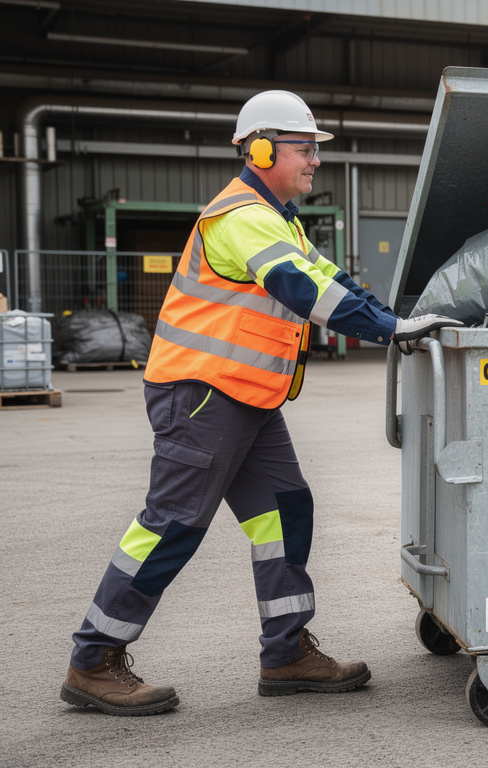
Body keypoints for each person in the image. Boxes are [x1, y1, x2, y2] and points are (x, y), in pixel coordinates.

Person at [60, 90, 456, 715]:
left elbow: (332, 281)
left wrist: (397, 318)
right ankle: (93, 659)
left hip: (246, 397)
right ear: (262, 148)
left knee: (285, 511)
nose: (315, 161)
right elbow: (300, 289)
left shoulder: (281, 220)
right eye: (305, 148)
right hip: (201, 395)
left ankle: (286, 650)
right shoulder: (240, 215)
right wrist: (388, 332)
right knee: (170, 526)